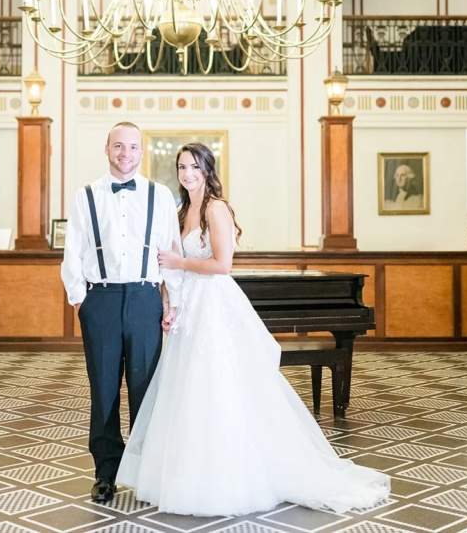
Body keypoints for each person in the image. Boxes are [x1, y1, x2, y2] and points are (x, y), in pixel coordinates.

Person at [116, 142, 390, 516]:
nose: (187, 173)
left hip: (213, 304)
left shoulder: (216, 208)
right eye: (181, 167)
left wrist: (180, 261)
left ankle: (229, 475)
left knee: (216, 382)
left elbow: (222, 265)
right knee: (184, 385)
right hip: (189, 307)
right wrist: (169, 299)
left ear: (208, 170)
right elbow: (171, 266)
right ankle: (188, 474)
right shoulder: (182, 211)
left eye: (194, 166)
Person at [60, 122, 183, 504]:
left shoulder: (160, 196)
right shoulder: (85, 196)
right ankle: (106, 473)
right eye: (118, 146)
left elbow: (170, 250)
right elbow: (73, 250)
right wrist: (80, 300)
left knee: (146, 389)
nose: (124, 153)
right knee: (104, 389)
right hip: (101, 300)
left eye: (132, 147)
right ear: (107, 149)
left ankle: (146, 471)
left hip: (145, 298)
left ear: (141, 152)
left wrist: (172, 300)